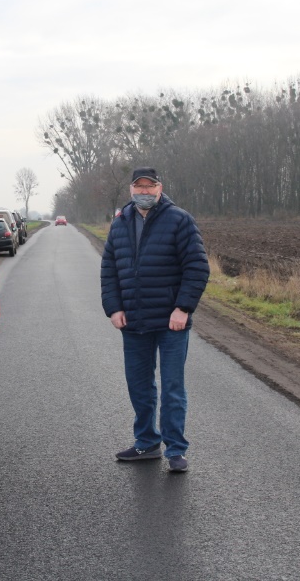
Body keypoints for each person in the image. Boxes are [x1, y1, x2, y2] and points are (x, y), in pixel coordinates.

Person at [101, 167, 210, 473]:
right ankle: (147, 443)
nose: (144, 192)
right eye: (139, 187)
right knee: (139, 384)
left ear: (160, 188)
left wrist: (183, 308)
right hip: (133, 320)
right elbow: (109, 268)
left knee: (172, 386)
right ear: (131, 190)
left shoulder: (179, 219)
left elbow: (197, 268)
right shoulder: (120, 222)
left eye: (150, 187)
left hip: (171, 321)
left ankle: (176, 449)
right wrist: (113, 307)